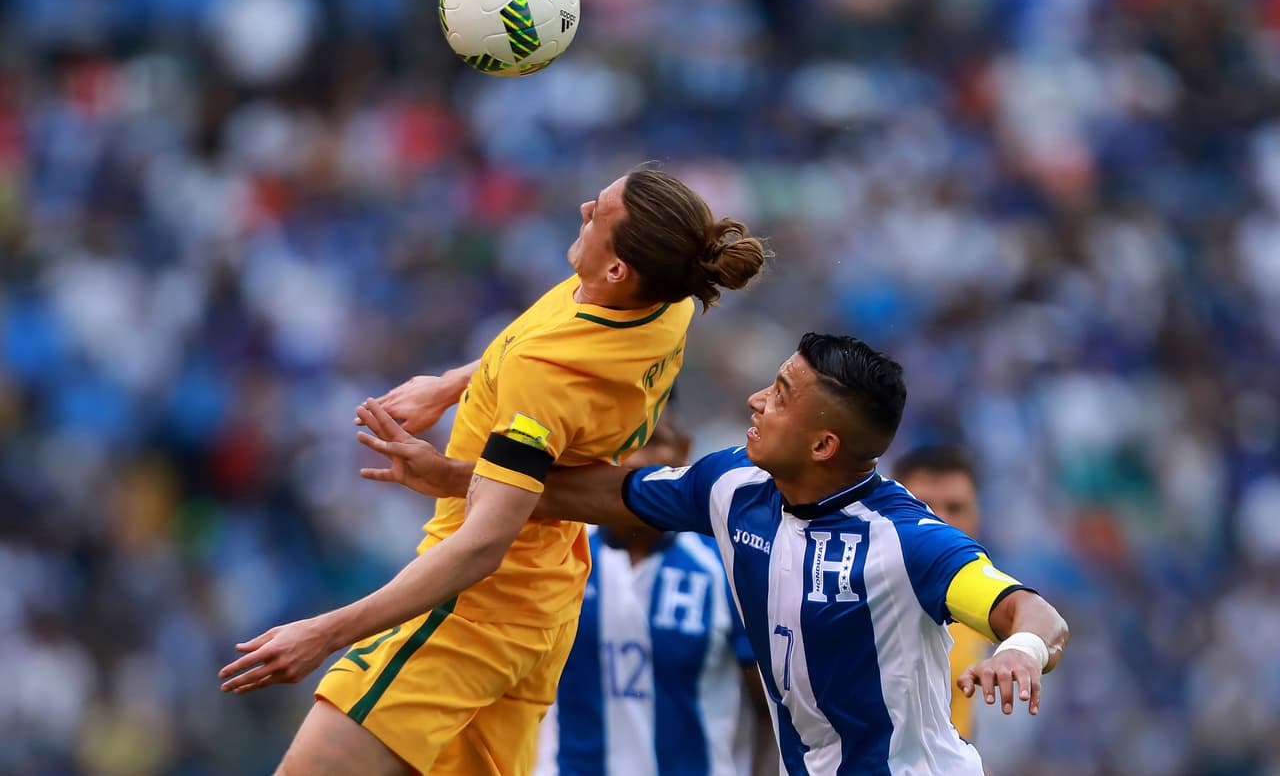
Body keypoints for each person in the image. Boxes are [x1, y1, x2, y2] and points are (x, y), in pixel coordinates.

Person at [218, 168, 767, 776]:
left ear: (618, 270)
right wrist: (453, 386)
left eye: (600, 213)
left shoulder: (549, 373)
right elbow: (542, 345)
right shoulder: (668, 302)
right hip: (545, 599)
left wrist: (325, 633)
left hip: (473, 612)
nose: (584, 206)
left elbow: (482, 544)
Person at [356, 332, 1069, 775]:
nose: (756, 399)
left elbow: (1031, 611)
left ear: (824, 444)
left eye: (780, 395)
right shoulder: (734, 486)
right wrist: (451, 475)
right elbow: (604, 493)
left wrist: (1020, 650)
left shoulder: (906, 538)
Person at [534, 404, 776, 776]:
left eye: (651, 442)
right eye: (619, 444)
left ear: (683, 450)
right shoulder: (555, 557)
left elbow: (771, 711)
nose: (633, 460)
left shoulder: (729, 566)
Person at [893, 445, 989, 744]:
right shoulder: (853, 599)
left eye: (955, 508)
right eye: (923, 505)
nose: (939, 522)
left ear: (976, 520)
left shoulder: (987, 613)